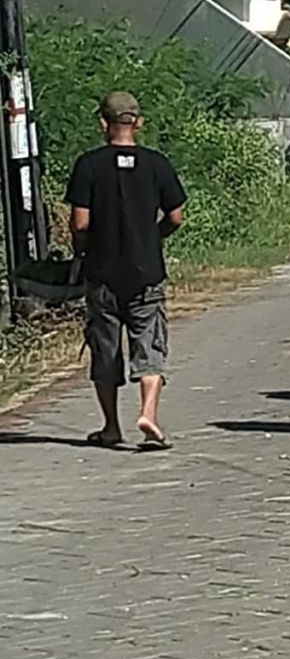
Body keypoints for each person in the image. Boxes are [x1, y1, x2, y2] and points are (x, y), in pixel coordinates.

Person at [66, 91, 187, 450]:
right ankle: (148, 413)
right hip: (146, 271)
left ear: (103, 123)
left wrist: (81, 251)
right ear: (139, 122)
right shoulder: (156, 163)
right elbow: (176, 217)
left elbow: (80, 223)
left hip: (103, 273)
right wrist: (153, 237)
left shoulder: (88, 165)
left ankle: (111, 427)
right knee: (149, 344)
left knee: (106, 350)